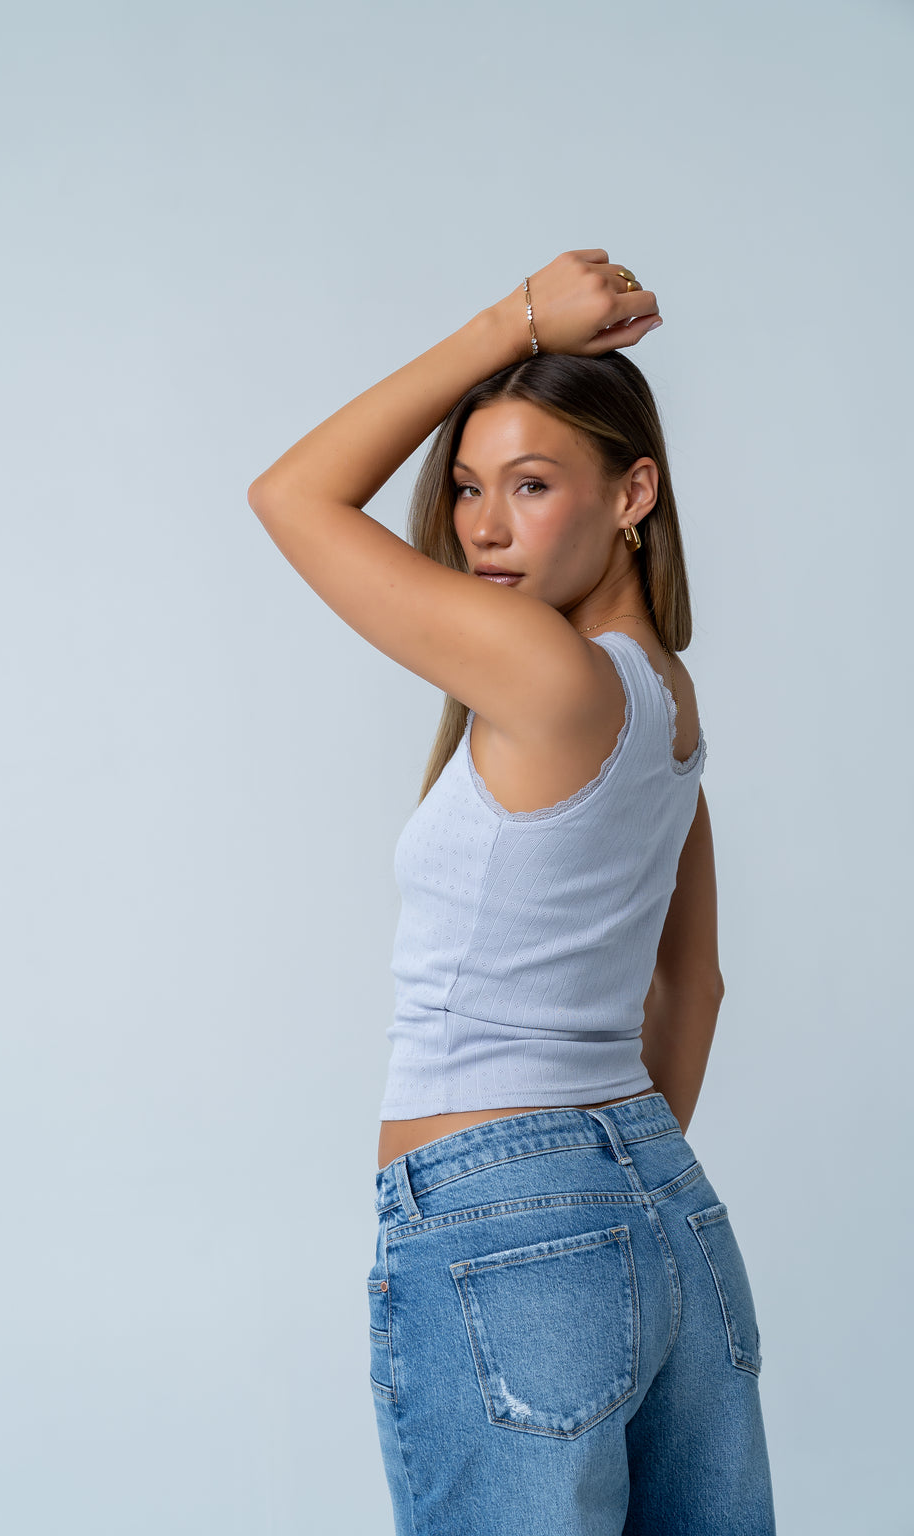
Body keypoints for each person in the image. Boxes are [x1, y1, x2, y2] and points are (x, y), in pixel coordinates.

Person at [247, 249, 776, 1534]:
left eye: (532, 486)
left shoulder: (545, 671)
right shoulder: (669, 708)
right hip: (664, 1213)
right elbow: (690, 987)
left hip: (498, 1218)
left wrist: (515, 321)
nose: (482, 525)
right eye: (470, 487)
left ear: (633, 490)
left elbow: (292, 494)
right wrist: (600, 1194)